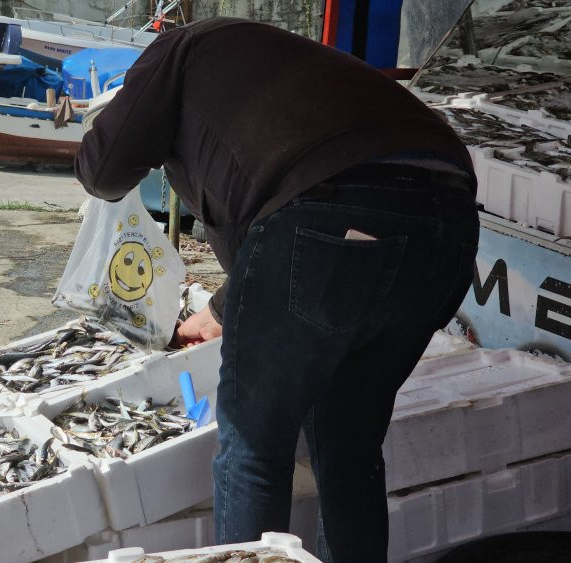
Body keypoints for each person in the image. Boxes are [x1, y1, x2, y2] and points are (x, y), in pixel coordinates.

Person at [75, 18, 479, 563]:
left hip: (332, 215)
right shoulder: (279, 71)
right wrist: (218, 311)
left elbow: (104, 169)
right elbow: (290, 230)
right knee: (348, 447)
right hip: (450, 227)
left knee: (254, 448)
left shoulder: (178, 46)